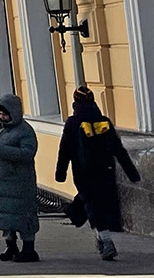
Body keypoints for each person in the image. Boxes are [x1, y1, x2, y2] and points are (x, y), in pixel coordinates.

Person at [55, 87, 141, 261]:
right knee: (99, 203)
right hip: (105, 170)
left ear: (75, 102)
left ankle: (106, 241)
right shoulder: (104, 121)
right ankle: (100, 239)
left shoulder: (72, 123)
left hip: (83, 172)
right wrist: (131, 172)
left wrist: (60, 173)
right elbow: (119, 149)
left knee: (92, 205)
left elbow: (65, 150)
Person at [0, 95, 39, 262]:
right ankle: (10, 246)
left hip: (19, 181)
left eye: (5, 114)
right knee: (4, 214)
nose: (2, 117)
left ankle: (29, 248)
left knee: (23, 213)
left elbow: (28, 153)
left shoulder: (24, 130)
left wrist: (0, 150)